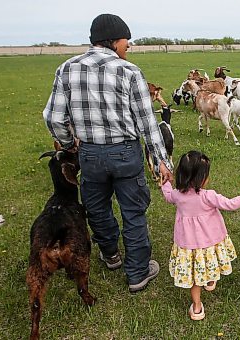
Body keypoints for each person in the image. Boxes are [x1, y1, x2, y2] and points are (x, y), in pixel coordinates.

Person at [42, 13, 173, 293]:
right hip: (126, 153)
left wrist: (68, 145)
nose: (129, 46)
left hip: (89, 154)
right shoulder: (129, 71)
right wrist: (162, 160)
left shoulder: (66, 68)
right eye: (127, 40)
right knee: (134, 213)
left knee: (96, 207)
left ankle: (111, 254)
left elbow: (53, 118)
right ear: (115, 40)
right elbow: (147, 123)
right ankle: (138, 272)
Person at [161, 150, 240, 320]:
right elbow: (231, 204)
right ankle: (210, 281)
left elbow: (167, 195)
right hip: (210, 241)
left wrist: (166, 181)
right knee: (210, 261)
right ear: (202, 178)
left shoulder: (177, 195)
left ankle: (196, 308)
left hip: (188, 245)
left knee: (195, 279)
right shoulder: (208, 196)